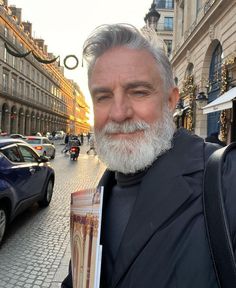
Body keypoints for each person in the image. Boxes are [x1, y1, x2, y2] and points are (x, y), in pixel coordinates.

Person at [62, 24, 236, 288]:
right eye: (103, 96)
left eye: (139, 92)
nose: (119, 113)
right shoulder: (96, 197)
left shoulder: (226, 179)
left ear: (170, 101)